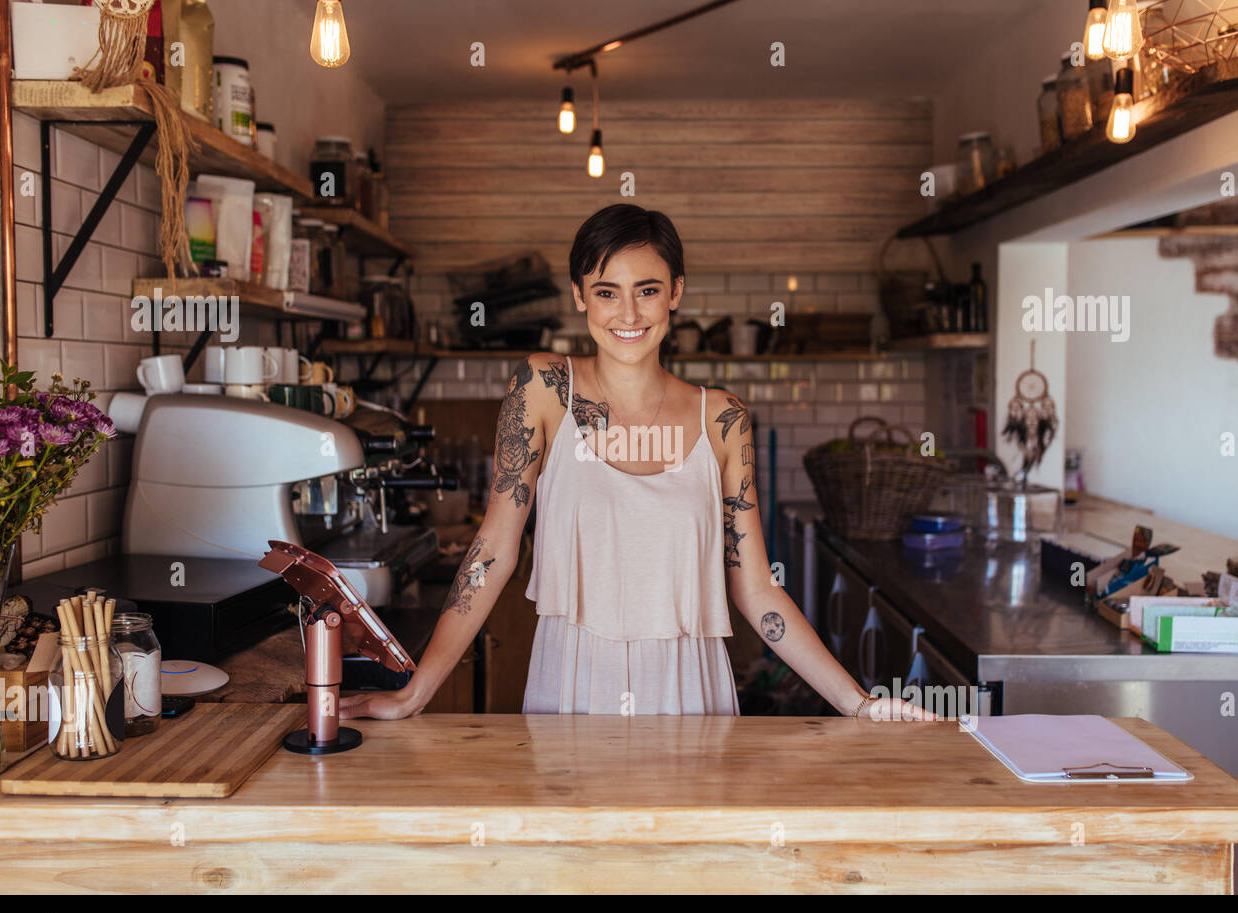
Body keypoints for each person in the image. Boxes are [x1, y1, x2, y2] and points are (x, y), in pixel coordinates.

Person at [341, 204, 933, 721]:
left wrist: (856, 702)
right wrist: (416, 690)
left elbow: (755, 588)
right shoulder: (544, 387)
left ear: (675, 291)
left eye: (647, 289)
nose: (628, 313)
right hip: (571, 681)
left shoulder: (723, 420)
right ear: (579, 296)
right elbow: (492, 550)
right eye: (606, 291)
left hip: (690, 691)